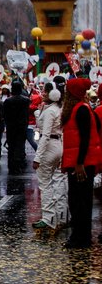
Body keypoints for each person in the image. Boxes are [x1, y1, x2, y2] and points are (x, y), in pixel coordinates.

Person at [60, 78, 102, 248]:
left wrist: (79, 163)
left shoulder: (81, 110)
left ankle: (81, 238)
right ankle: (79, 237)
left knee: (81, 202)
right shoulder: (79, 109)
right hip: (78, 161)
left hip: (81, 163)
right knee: (77, 201)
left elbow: (85, 139)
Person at [32, 84, 68, 231]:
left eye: (45, 91)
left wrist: (37, 157)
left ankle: (48, 218)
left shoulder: (50, 111)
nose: (43, 93)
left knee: (45, 183)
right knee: (59, 182)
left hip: (49, 147)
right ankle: (62, 216)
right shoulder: (60, 109)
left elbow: (45, 135)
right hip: (60, 146)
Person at [2, 81, 30, 174]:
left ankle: (11, 165)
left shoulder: (8, 101)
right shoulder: (26, 100)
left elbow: (5, 115)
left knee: (11, 146)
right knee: (20, 145)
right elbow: (27, 114)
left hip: (11, 127)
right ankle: (19, 164)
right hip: (22, 126)